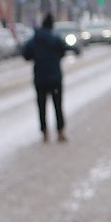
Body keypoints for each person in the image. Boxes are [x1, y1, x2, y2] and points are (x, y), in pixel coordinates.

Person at [21, 12, 79, 143]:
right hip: (55, 77)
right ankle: (60, 131)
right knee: (57, 105)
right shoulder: (55, 39)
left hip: (40, 78)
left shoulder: (35, 39)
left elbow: (26, 55)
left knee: (41, 106)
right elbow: (63, 52)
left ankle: (45, 132)